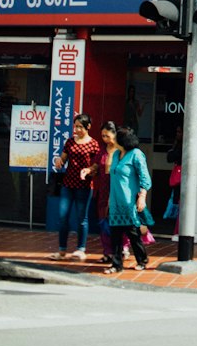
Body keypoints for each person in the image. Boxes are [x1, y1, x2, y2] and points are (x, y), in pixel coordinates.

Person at [51, 113, 102, 260]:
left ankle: (81, 249)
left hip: (84, 185)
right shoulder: (70, 142)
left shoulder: (93, 144)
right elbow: (63, 157)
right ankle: (62, 250)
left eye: (80, 127)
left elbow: (96, 164)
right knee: (63, 216)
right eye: (76, 127)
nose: (77, 130)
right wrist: (58, 161)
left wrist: (89, 170)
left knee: (81, 218)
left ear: (88, 127)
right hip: (68, 183)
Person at [104, 126, 152, 274]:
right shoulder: (117, 153)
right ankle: (116, 264)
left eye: (116, 137)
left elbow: (145, 178)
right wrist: (109, 201)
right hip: (115, 202)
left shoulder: (136, 155)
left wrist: (142, 198)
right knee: (115, 235)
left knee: (133, 233)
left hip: (129, 202)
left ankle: (142, 259)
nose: (112, 139)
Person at [94, 121, 118, 266]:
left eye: (107, 136)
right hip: (103, 190)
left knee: (117, 222)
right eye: (102, 136)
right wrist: (89, 170)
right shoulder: (102, 151)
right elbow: (96, 166)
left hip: (117, 191)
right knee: (103, 221)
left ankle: (121, 250)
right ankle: (107, 252)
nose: (105, 139)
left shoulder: (121, 151)